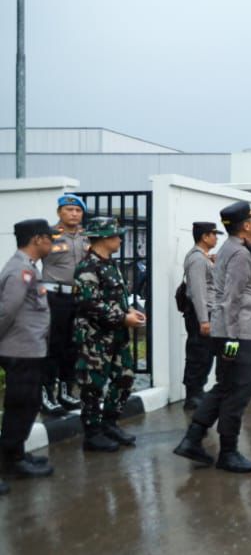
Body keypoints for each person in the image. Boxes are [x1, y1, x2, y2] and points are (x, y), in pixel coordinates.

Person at [173, 201, 251, 473]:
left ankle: (193, 439)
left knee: (225, 385)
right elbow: (232, 299)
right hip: (238, 336)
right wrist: (233, 341)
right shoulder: (239, 254)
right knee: (239, 390)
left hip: (231, 334)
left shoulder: (235, 249)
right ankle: (228, 451)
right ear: (246, 225)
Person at [73, 217, 146, 452]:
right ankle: (92, 434)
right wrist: (124, 318)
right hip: (95, 337)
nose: (120, 239)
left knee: (124, 378)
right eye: (116, 236)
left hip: (116, 335)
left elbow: (116, 297)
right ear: (104, 238)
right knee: (93, 385)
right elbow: (89, 303)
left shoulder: (110, 264)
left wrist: (129, 310)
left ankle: (109, 423)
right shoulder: (88, 267)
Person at [0, 219, 57, 491]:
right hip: (20, 350)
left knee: (28, 403)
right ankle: (11, 459)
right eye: (49, 238)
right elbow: (6, 311)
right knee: (20, 405)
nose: (52, 243)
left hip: (30, 349)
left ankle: (17, 454)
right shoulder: (20, 270)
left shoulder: (27, 268)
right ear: (37, 239)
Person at [40, 193, 90, 417]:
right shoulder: (47, 235)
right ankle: (46, 394)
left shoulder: (86, 236)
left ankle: (66, 391)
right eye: (69, 210)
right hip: (54, 297)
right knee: (53, 346)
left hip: (78, 297)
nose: (74, 214)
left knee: (73, 345)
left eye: (78, 210)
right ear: (59, 212)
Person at [181, 221, 222, 410]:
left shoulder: (203, 257)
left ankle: (198, 391)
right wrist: (204, 320)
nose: (216, 237)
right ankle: (193, 394)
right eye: (213, 234)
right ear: (204, 237)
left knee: (205, 355)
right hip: (200, 315)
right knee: (198, 355)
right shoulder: (197, 259)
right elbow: (198, 292)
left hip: (206, 313)